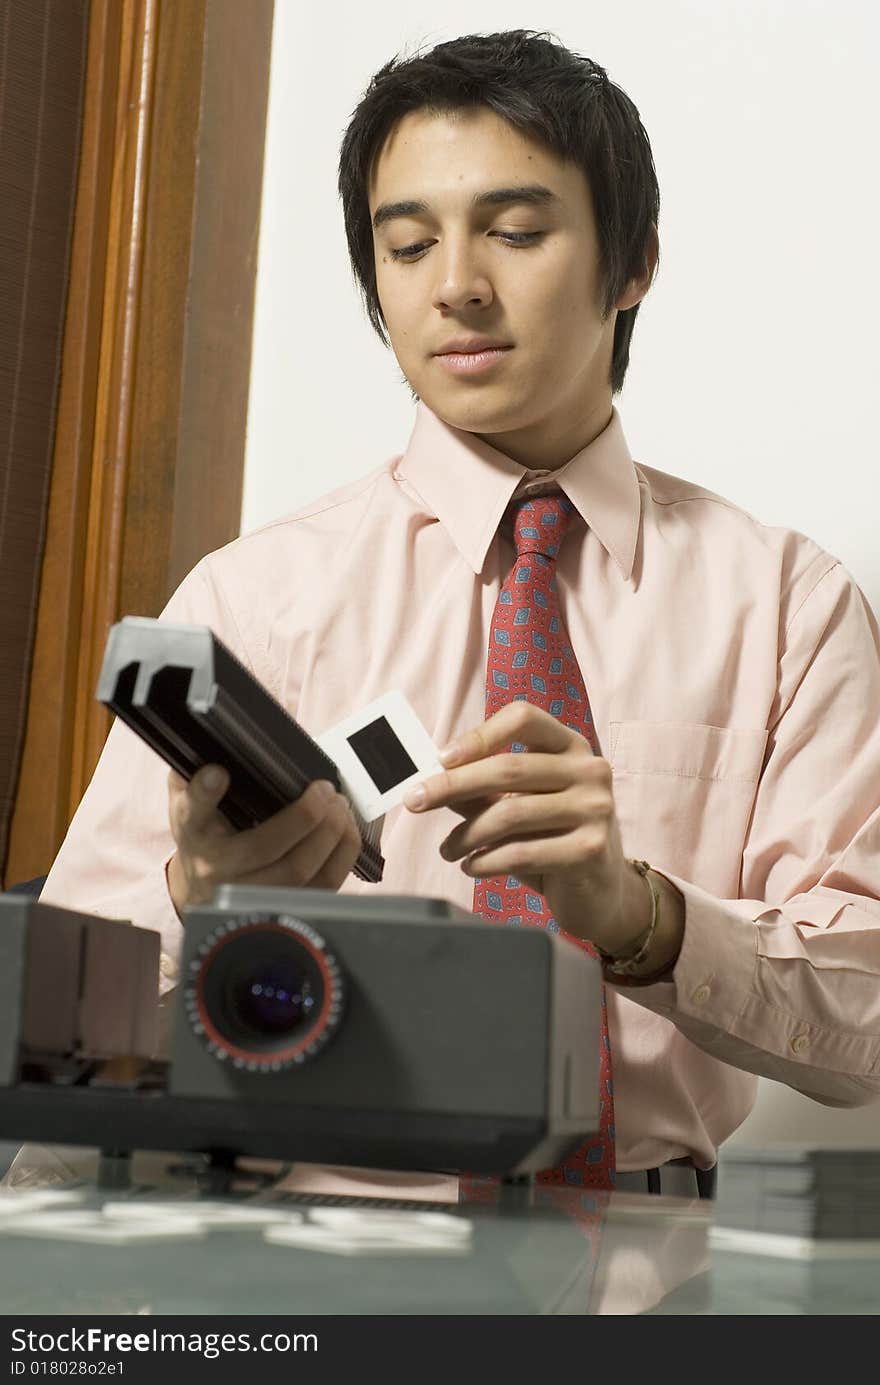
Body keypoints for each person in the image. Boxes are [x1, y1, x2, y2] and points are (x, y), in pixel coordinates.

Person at [38, 30, 880, 1198]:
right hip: (302, 1263)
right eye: (406, 242)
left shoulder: (789, 605)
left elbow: (868, 1020)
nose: (455, 285)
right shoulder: (253, 599)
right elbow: (67, 1030)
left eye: (517, 231)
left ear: (630, 263)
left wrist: (640, 917)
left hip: (647, 1278)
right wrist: (202, 901)